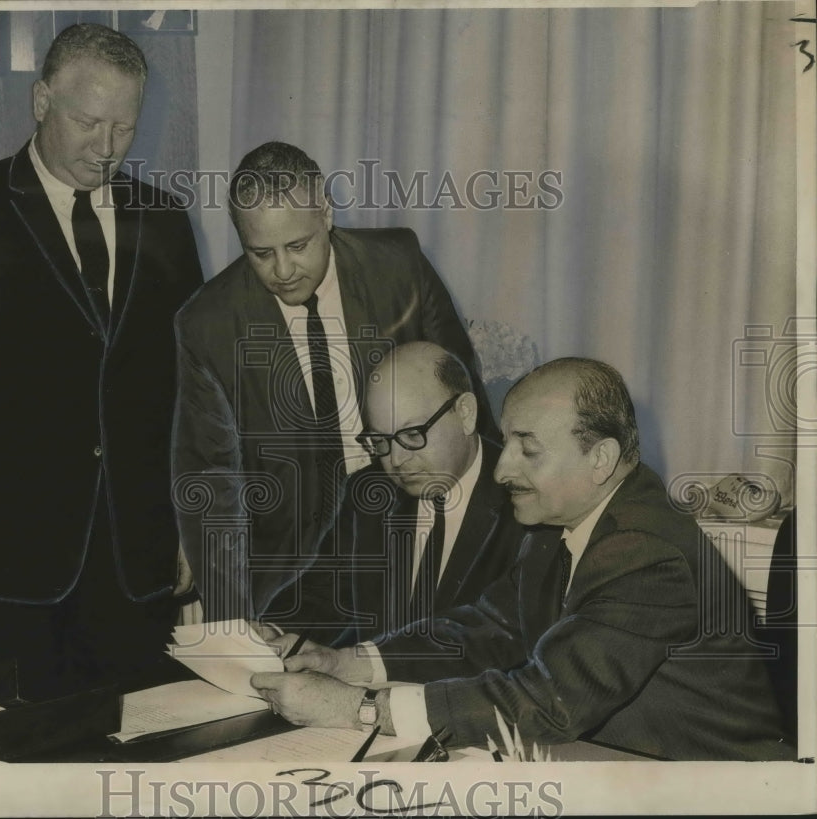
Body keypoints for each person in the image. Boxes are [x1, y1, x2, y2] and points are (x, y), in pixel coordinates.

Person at [0, 24, 203, 698]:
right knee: (12, 754)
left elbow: (193, 387)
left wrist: (195, 523)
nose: (108, 147)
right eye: (89, 121)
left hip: (136, 563)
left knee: (133, 755)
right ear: (40, 101)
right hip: (6, 562)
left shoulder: (166, 219)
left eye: (125, 126)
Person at [253, 358, 793, 761]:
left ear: (600, 458)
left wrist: (358, 708)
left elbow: (548, 700)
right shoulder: (560, 525)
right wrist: (347, 663)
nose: (501, 468)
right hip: (612, 764)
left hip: (711, 786)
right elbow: (488, 628)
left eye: (527, 449)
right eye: (507, 442)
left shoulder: (648, 553)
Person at [173, 141, 496, 625]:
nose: (282, 271)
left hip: (415, 531)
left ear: (325, 212)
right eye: (261, 253)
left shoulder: (398, 266)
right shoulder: (206, 324)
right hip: (289, 572)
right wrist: (232, 630)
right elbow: (213, 482)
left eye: (297, 246)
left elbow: (468, 407)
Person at [290, 342, 523, 643]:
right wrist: (278, 633)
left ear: (465, 412)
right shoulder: (369, 491)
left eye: (413, 434)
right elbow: (323, 594)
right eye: (381, 441)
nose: (396, 461)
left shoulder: (525, 502)